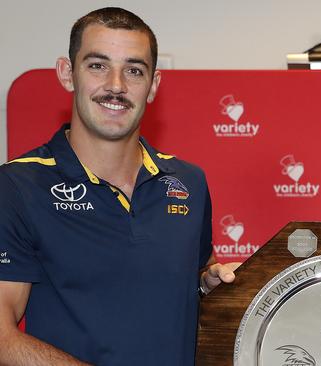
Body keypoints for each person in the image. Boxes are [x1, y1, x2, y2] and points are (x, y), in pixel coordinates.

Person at [0, 7, 237, 365]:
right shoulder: (17, 186)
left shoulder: (188, 182)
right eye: (97, 65)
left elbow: (192, 281)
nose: (116, 85)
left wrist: (205, 285)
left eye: (134, 70)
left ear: (153, 85)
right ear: (68, 74)